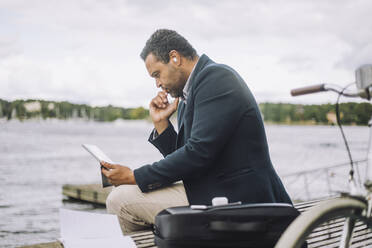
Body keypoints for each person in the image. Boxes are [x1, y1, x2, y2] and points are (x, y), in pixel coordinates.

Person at [101, 29, 292, 234]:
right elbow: (185, 160)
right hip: (209, 190)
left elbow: (197, 153)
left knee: (120, 201)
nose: (157, 84)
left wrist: (134, 176)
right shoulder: (188, 95)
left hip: (240, 199)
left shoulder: (216, 78)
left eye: (157, 74)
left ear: (175, 58)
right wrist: (161, 123)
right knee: (122, 191)